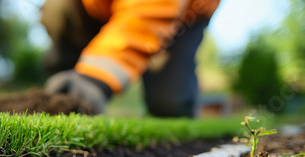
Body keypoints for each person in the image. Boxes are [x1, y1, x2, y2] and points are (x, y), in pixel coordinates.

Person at [42, 0, 220, 117]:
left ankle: (81, 89)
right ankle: (65, 96)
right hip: (102, 8)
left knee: (169, 105)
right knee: (57, 7)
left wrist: (95, 78)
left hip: (183, 14)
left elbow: (148, 10)